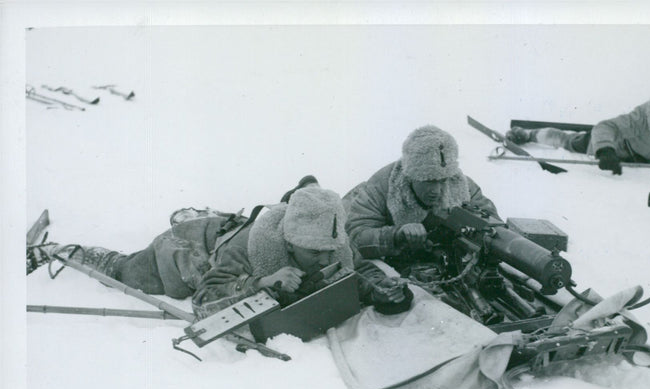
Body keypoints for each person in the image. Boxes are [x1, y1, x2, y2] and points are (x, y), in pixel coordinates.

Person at [41, 179, 411, 323]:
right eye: (316, 254)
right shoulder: (252, 250)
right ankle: (73, 252)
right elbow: (203, 303)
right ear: (290, 243)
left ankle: (206, 216)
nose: (328, 260)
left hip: (229, 232)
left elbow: (357, 266)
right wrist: (259, 283)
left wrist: (379, 288)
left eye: (331, 251)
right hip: (189, 250)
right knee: (130, 273)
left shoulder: (329, 240)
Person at [505, 78, 650, 182]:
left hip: (647, 161)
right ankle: (529, 134)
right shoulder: (648, 115)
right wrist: (605, 151)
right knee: (567, 141)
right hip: (614, 150)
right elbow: (605, 127)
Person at [343, 125, 499, 264]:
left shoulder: (462, 186)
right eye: (429, 181)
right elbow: (355, 238)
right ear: (410, 176)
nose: (436, 190)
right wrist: (397, 235)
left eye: (442, 180)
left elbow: (493, 223)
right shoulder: (380, 187)